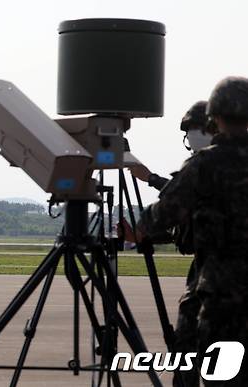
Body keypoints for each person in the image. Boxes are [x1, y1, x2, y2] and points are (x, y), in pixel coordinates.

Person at [136, 76, 248, 386]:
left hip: (220, 294)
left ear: (216, 116)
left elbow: (167, 212)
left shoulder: (206, 163)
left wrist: (139, 229)